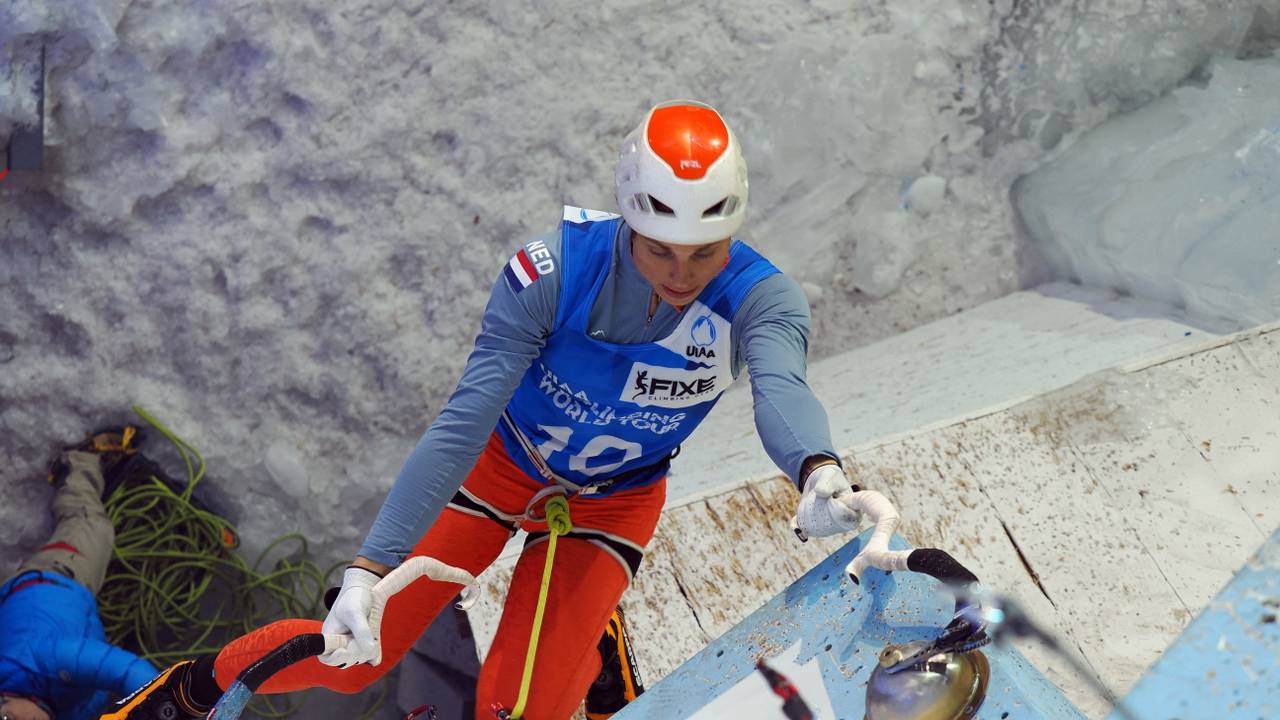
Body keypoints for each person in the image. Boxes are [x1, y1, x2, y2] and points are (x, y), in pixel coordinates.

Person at [119, 101, 865, 719]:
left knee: (512, 711)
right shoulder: (550, 273)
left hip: (615, 502)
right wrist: (366, 570)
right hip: (500, 467)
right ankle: (189, 689)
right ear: (628, 223)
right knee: (350, 663)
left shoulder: (764, 298)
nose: (681, 272)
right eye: (659, 248)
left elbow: (783, 389)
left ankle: (581, 629)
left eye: (705, 252)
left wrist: (817, 467)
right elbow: (463, 421)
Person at [0, 430, 163, 720]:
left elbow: (126, 670)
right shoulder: (47, 707)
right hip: (68, 605)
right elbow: (93, 693)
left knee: (91, 524)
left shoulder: (36, 659)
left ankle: (78, 461)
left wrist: (162, 704)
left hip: (58, 575)